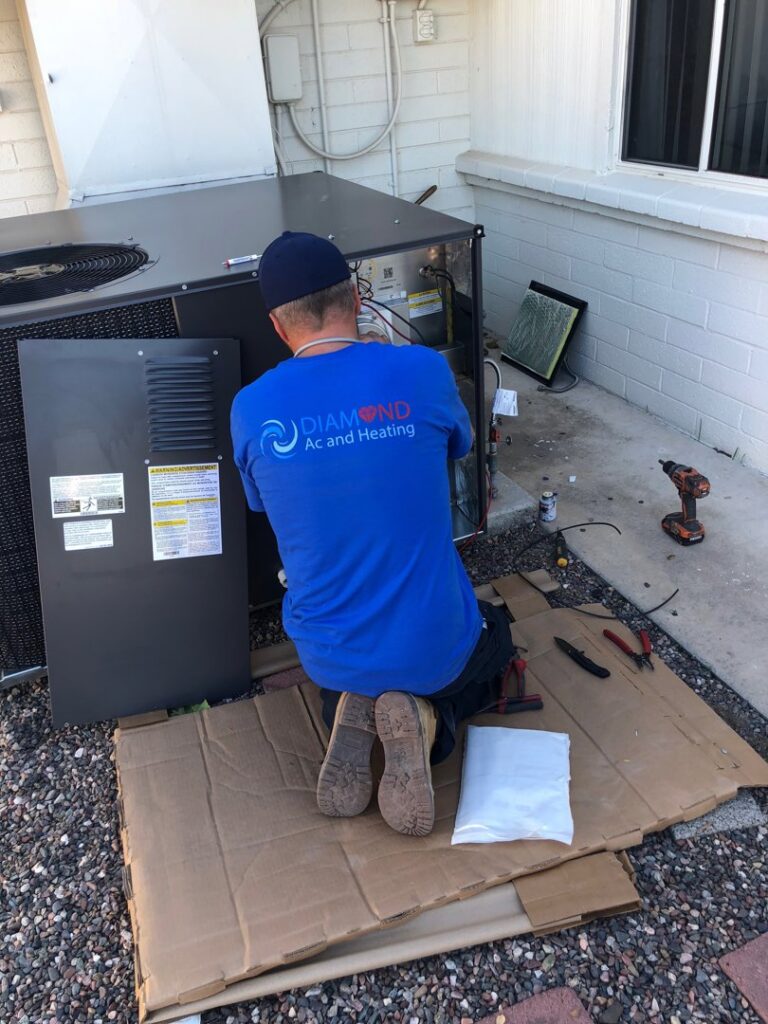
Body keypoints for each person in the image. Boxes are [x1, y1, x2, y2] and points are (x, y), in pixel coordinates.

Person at [231, 231, 514, 836]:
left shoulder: (251, 408)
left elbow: (262, 503)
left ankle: (353, 708)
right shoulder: (420, 371)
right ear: (358, 299)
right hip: (432, 643)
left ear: (278, 328)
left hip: (330, 652)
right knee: (497, 640)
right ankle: (428, 727)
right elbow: (461, 447)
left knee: (352, 686)